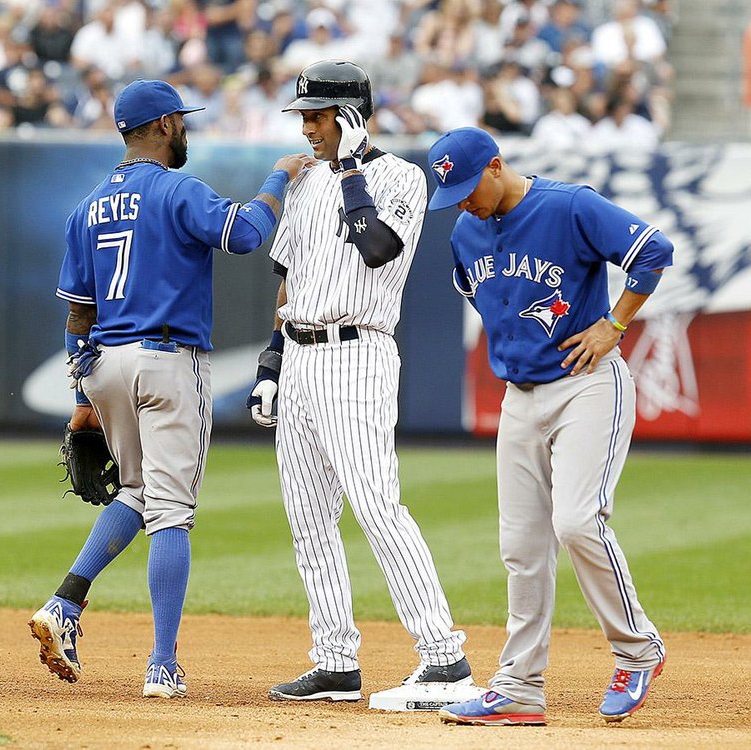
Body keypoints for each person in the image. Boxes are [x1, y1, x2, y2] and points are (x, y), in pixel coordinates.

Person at [28, 78, 313, 699]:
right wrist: (278, 178)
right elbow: (242, 234)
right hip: (167, 359)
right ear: (160, 126)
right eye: (179, 120)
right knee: (173, 512)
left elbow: (78, 314)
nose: (185, 128)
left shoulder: (88, 206)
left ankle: (65, 604)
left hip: (105, 363)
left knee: (136, 490)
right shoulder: (177, 187)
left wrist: (83, 398)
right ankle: (161, 664)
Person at [425, 127, 670, 725]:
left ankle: (638, 650)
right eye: (449, 193)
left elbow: (652, 251)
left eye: (465, 187)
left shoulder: (568, 205)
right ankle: (518, 688)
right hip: (520, 397)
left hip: (588, 385)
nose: (461, 201)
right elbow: (477, 290)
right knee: (521, 546)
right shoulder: (465, 232)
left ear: (497, 166)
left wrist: (614, 322)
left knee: (578, 520)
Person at [246, 60, 470, 702]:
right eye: (304, 115)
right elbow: (286, 282)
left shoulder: (399, 176)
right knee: (308, 518)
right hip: (301, 356)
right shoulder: (307, 182)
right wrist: (270, 364)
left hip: (357, 354)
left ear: (350, 116)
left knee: (375, 503)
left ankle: (443, 658)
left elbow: (377, 247)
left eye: (317, 115)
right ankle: (336, 660)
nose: (307, 127)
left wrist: (347, 168)